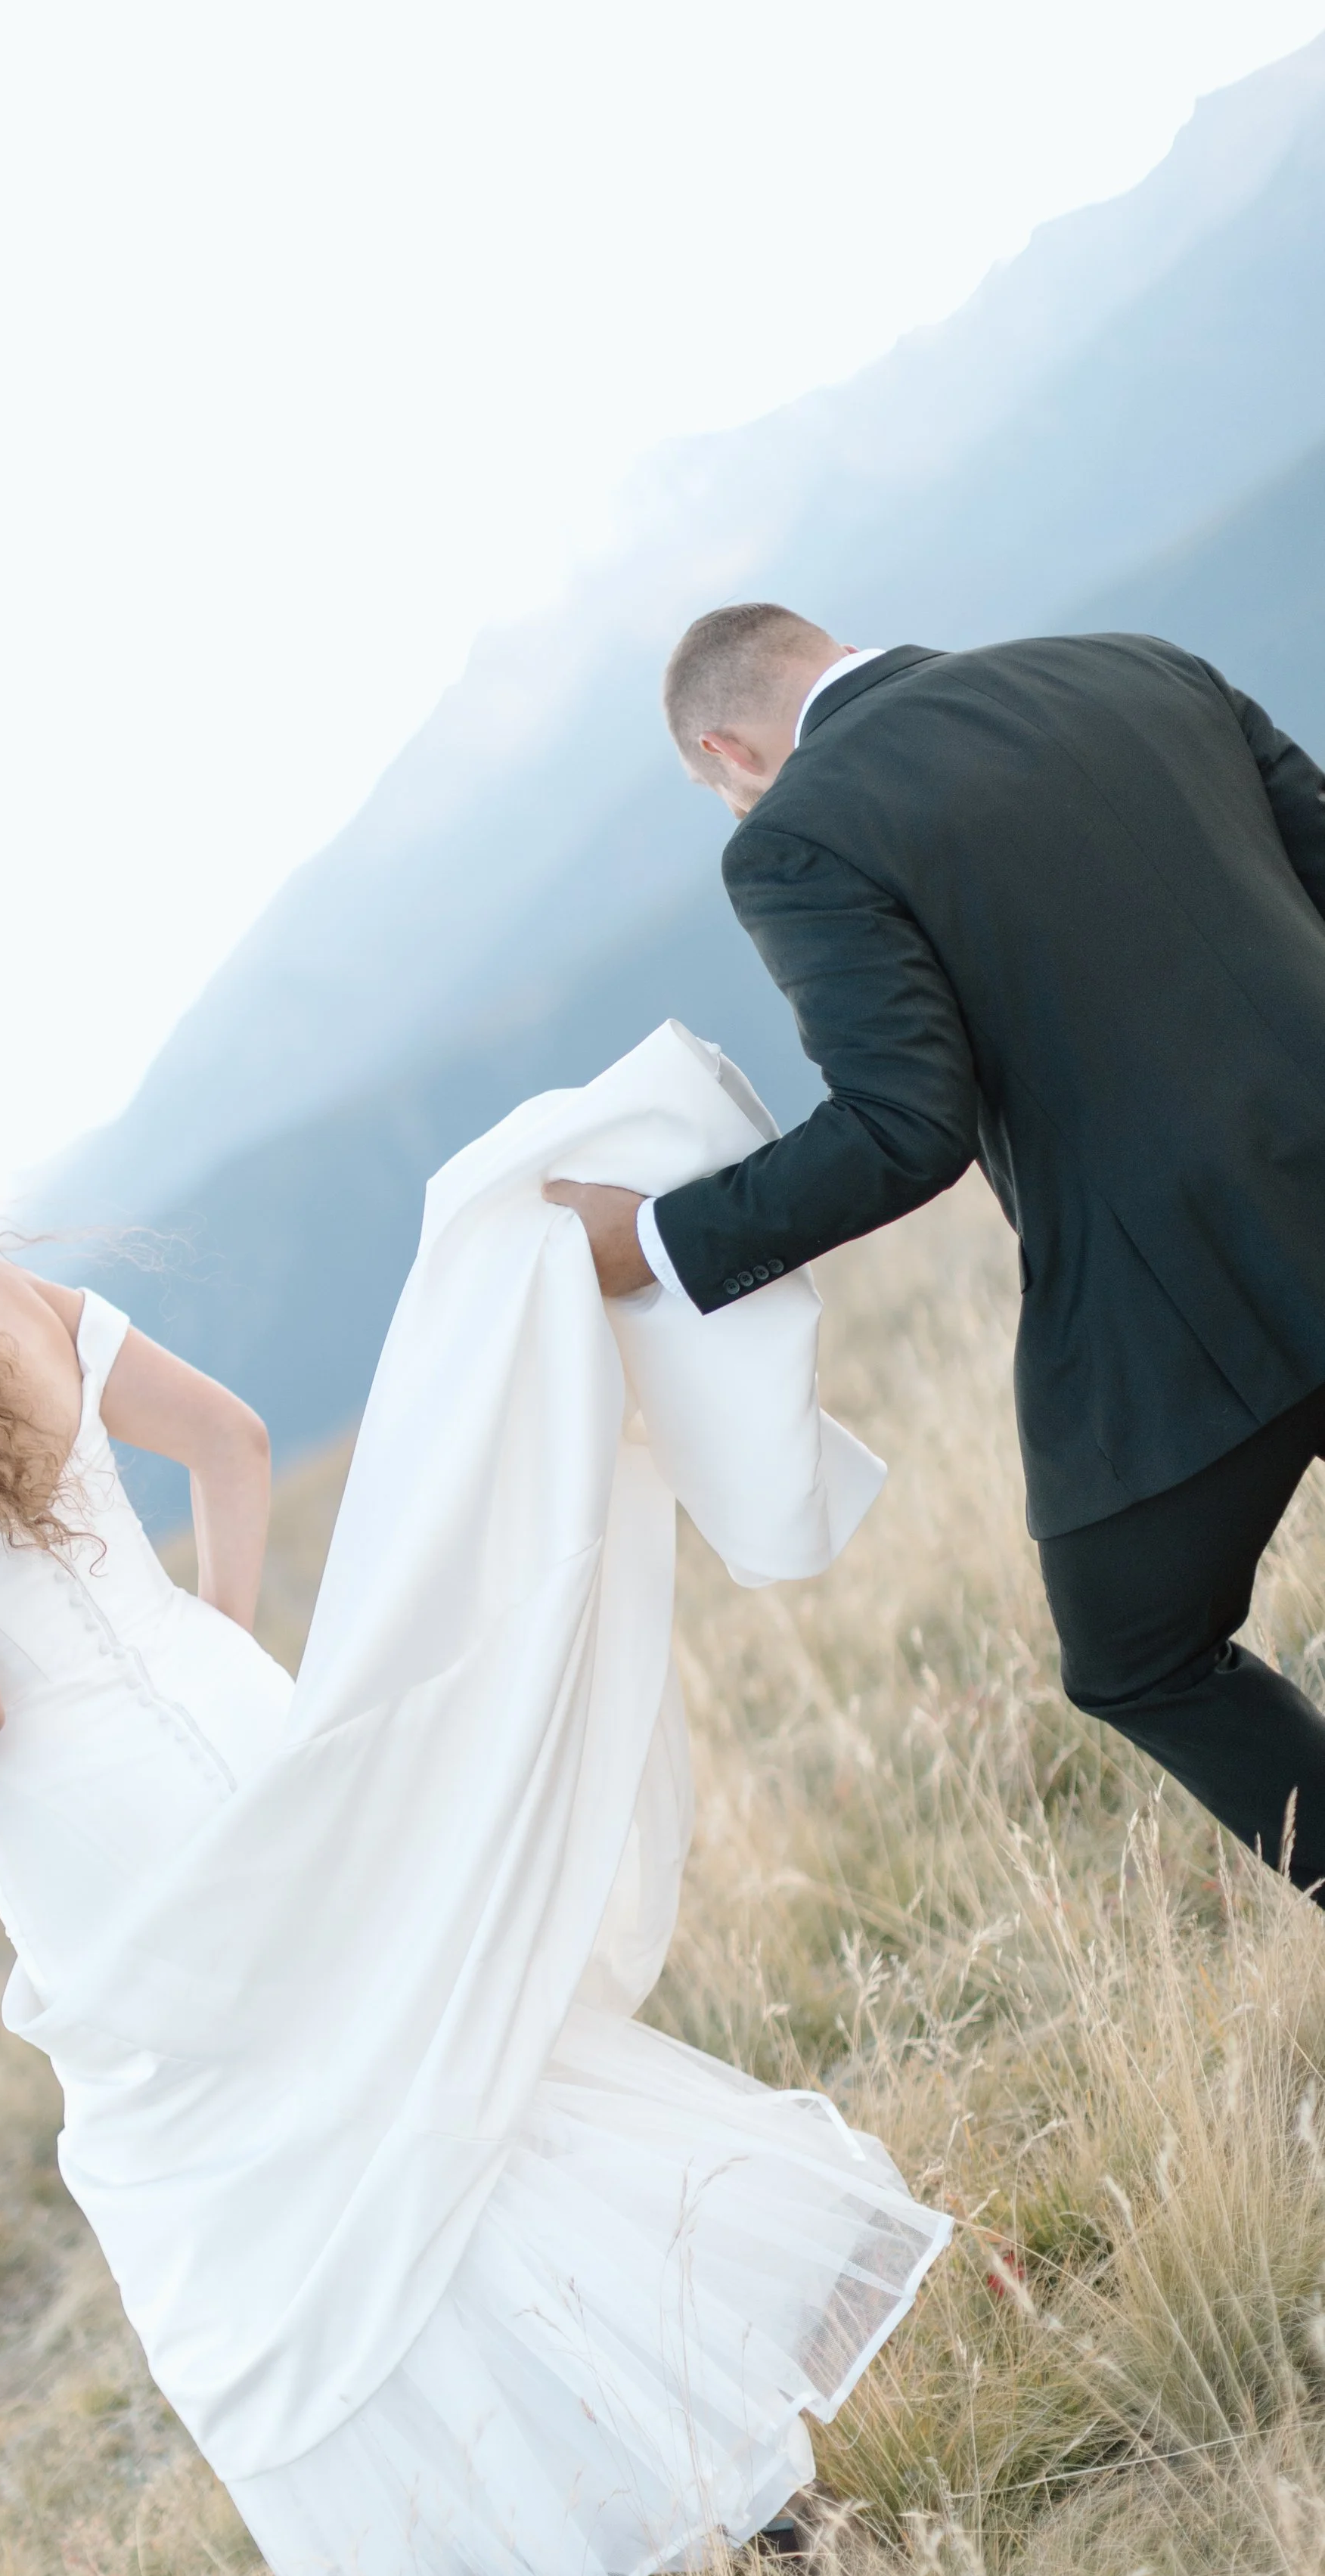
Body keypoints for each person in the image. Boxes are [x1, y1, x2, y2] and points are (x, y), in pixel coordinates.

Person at [0, 1079, 947, 2576]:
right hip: (239, 1717)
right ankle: (731, 2461)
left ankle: (680, 2496)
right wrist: (211, 1642)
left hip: (97, 1836)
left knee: (316, 2174)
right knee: (432, 2082)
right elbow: (229, 1439)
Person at [550, 607, 1325, 1894]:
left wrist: (652, 1240)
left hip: (1190, 1297)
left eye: (713, 790)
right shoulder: (1135, 664)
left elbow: (902, 1129)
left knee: (1134, 1649)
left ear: (726, 751)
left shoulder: (795, 835)